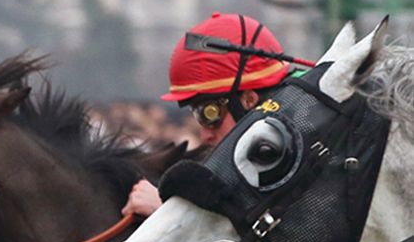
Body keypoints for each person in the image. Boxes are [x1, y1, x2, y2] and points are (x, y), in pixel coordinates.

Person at [121, 12, 295, 218]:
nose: (205, 135)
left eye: (210, 114)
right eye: (197, 115)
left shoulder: (302, 151)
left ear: (249, 100)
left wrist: (164, 211)